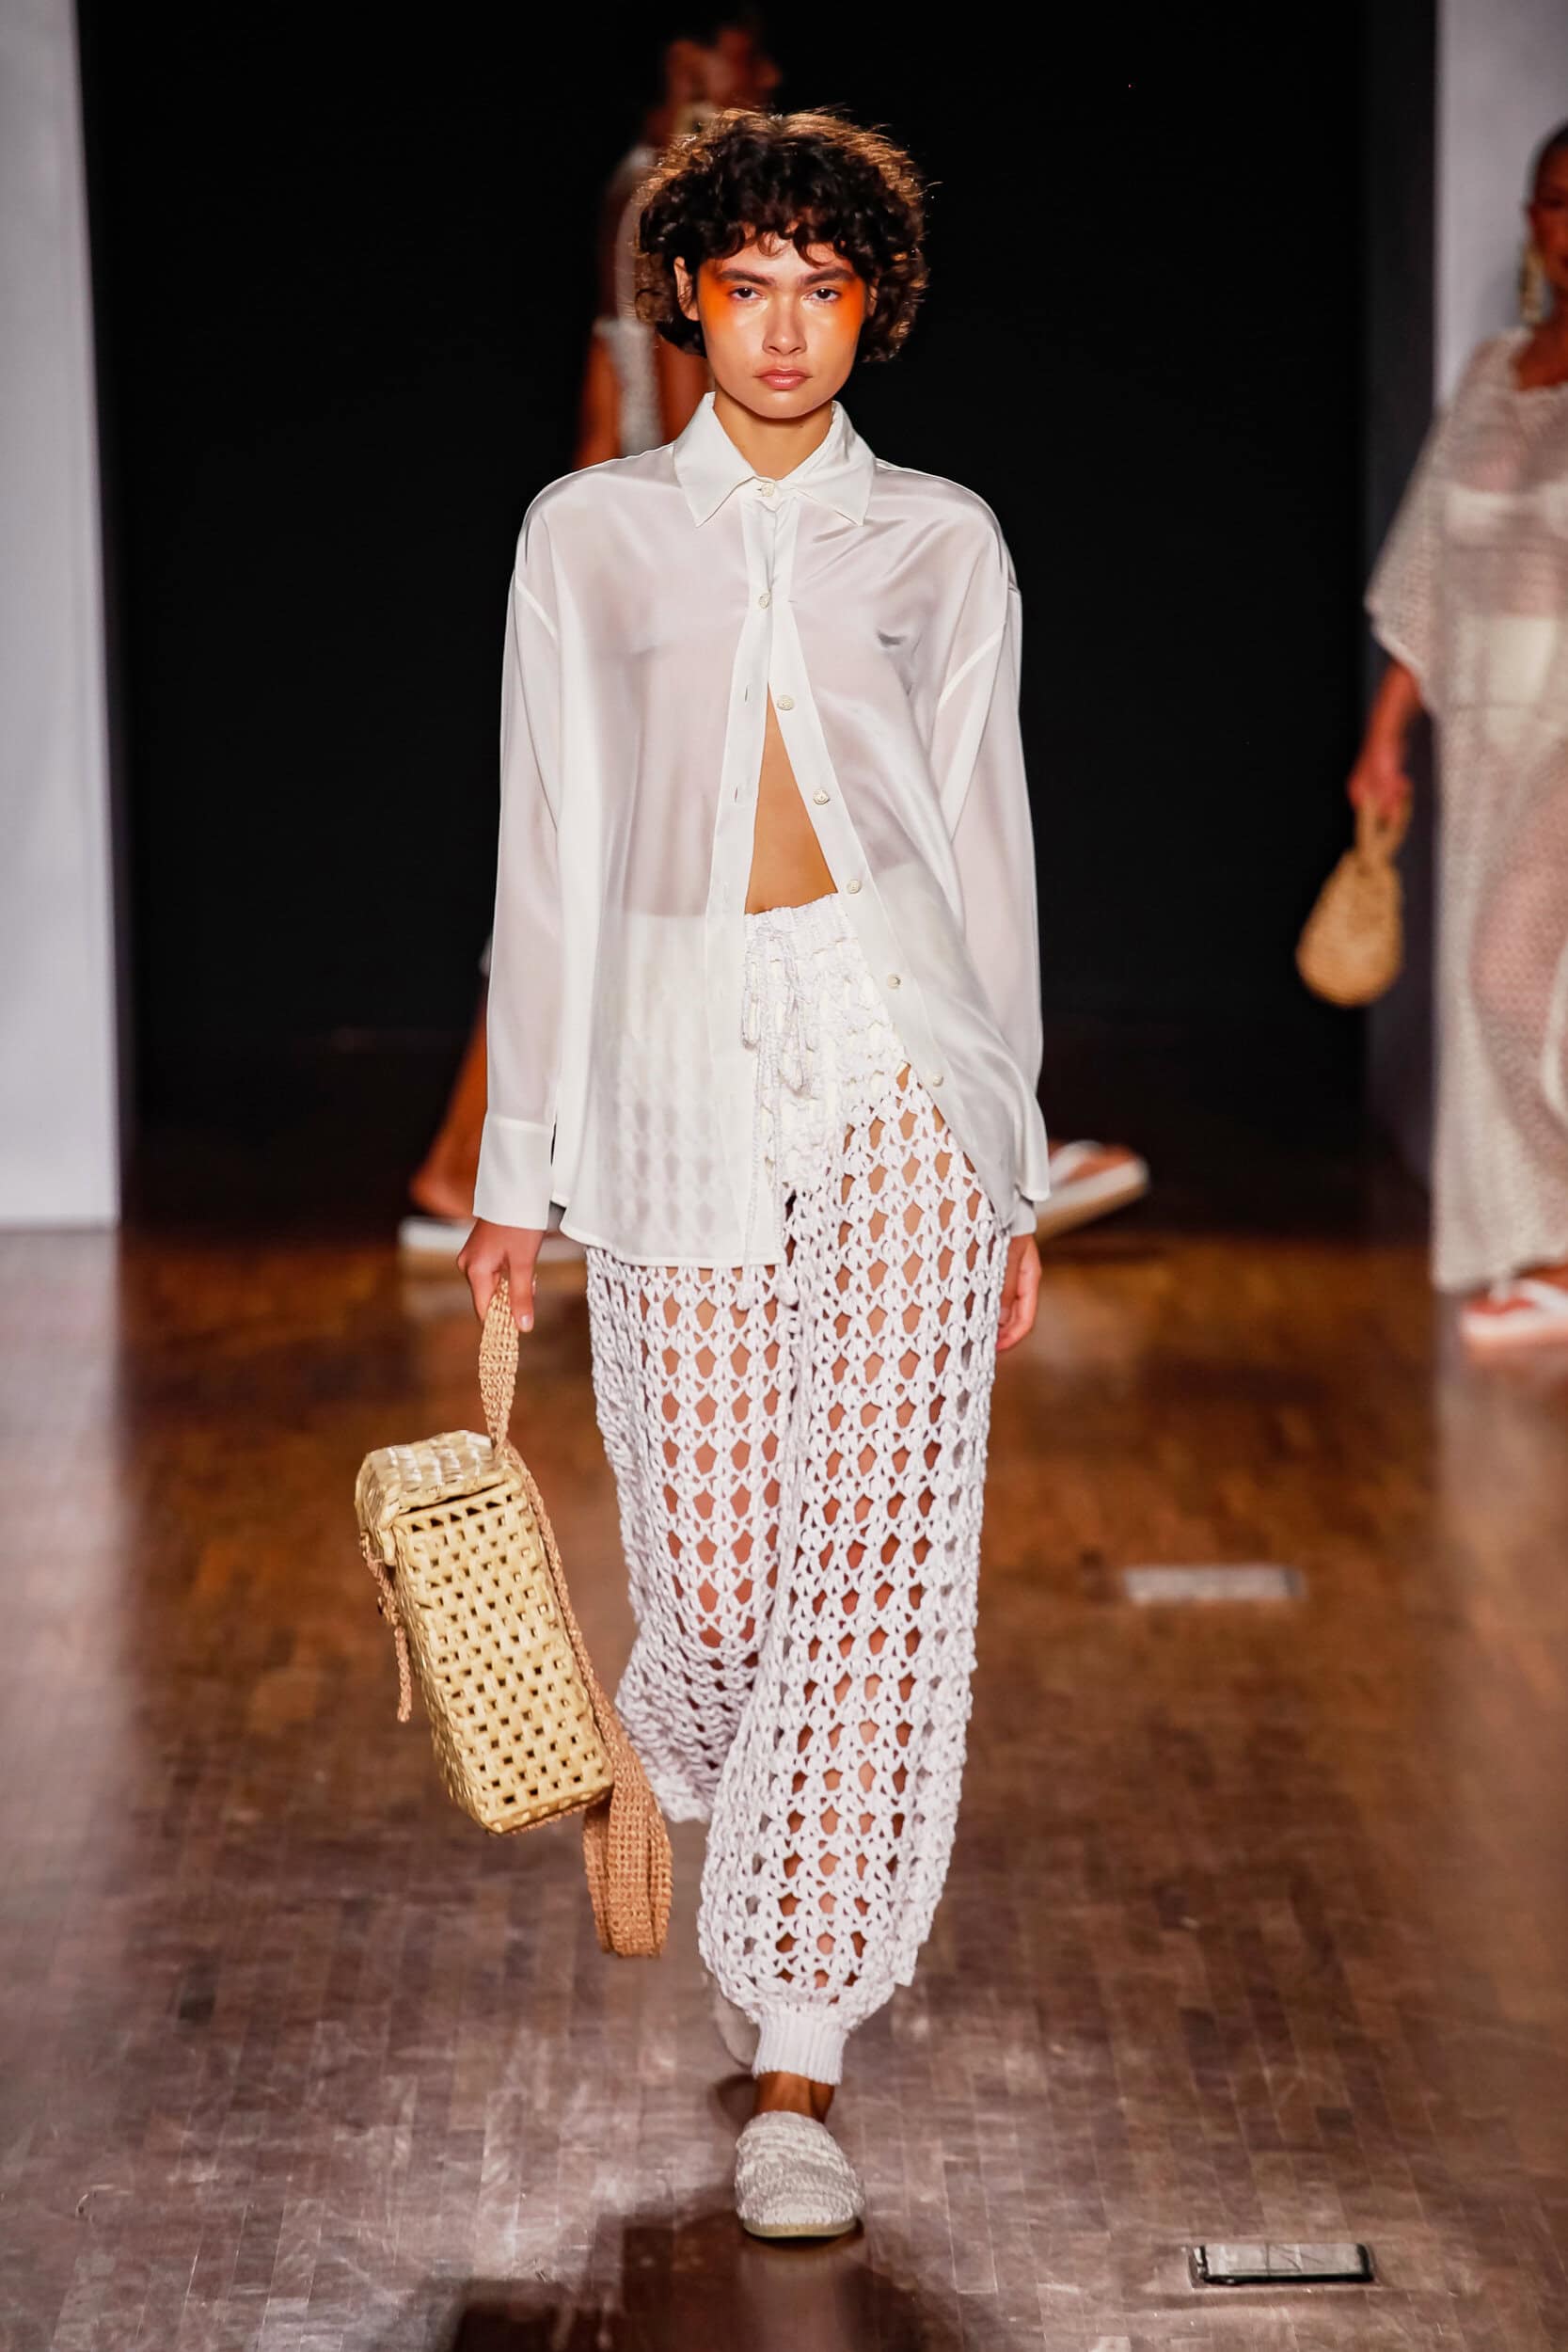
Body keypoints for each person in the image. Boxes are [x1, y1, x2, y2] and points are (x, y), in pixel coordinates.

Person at [458, 108, 1050, 2237]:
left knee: (870, 1566)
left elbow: (985, 851)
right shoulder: (589, 535)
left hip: (896, 1054)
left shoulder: (943, 541)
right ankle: (697, 1749)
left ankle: (800, 2050)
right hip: (672, 1052)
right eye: (749, 286)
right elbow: (546, 853)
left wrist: (1013, 1155)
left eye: (826, 287)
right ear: (687, 301)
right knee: (716, 1570)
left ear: (874, 306)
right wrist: (515, 1166)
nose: (787, 328)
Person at [401, 16, 778, 1259]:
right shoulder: (684, 198)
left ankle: (490, 1161)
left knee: (605, 871)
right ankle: (484, 1164)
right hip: (677, 577)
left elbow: (600, 401)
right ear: (699, 65)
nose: (764, 81)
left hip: (634, 574)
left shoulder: (635, 192)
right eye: (744, 58)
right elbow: (681, 395)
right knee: (633, 873)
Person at [1354, 120, 1568, 1352]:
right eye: (1555, 202)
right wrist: (1386, 740)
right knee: (1501, 989)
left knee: (1514, 975)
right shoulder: (1493, 372)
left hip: (1566, 730)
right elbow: (1429, 569)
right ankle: (1547, 1244)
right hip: (1484, 728)